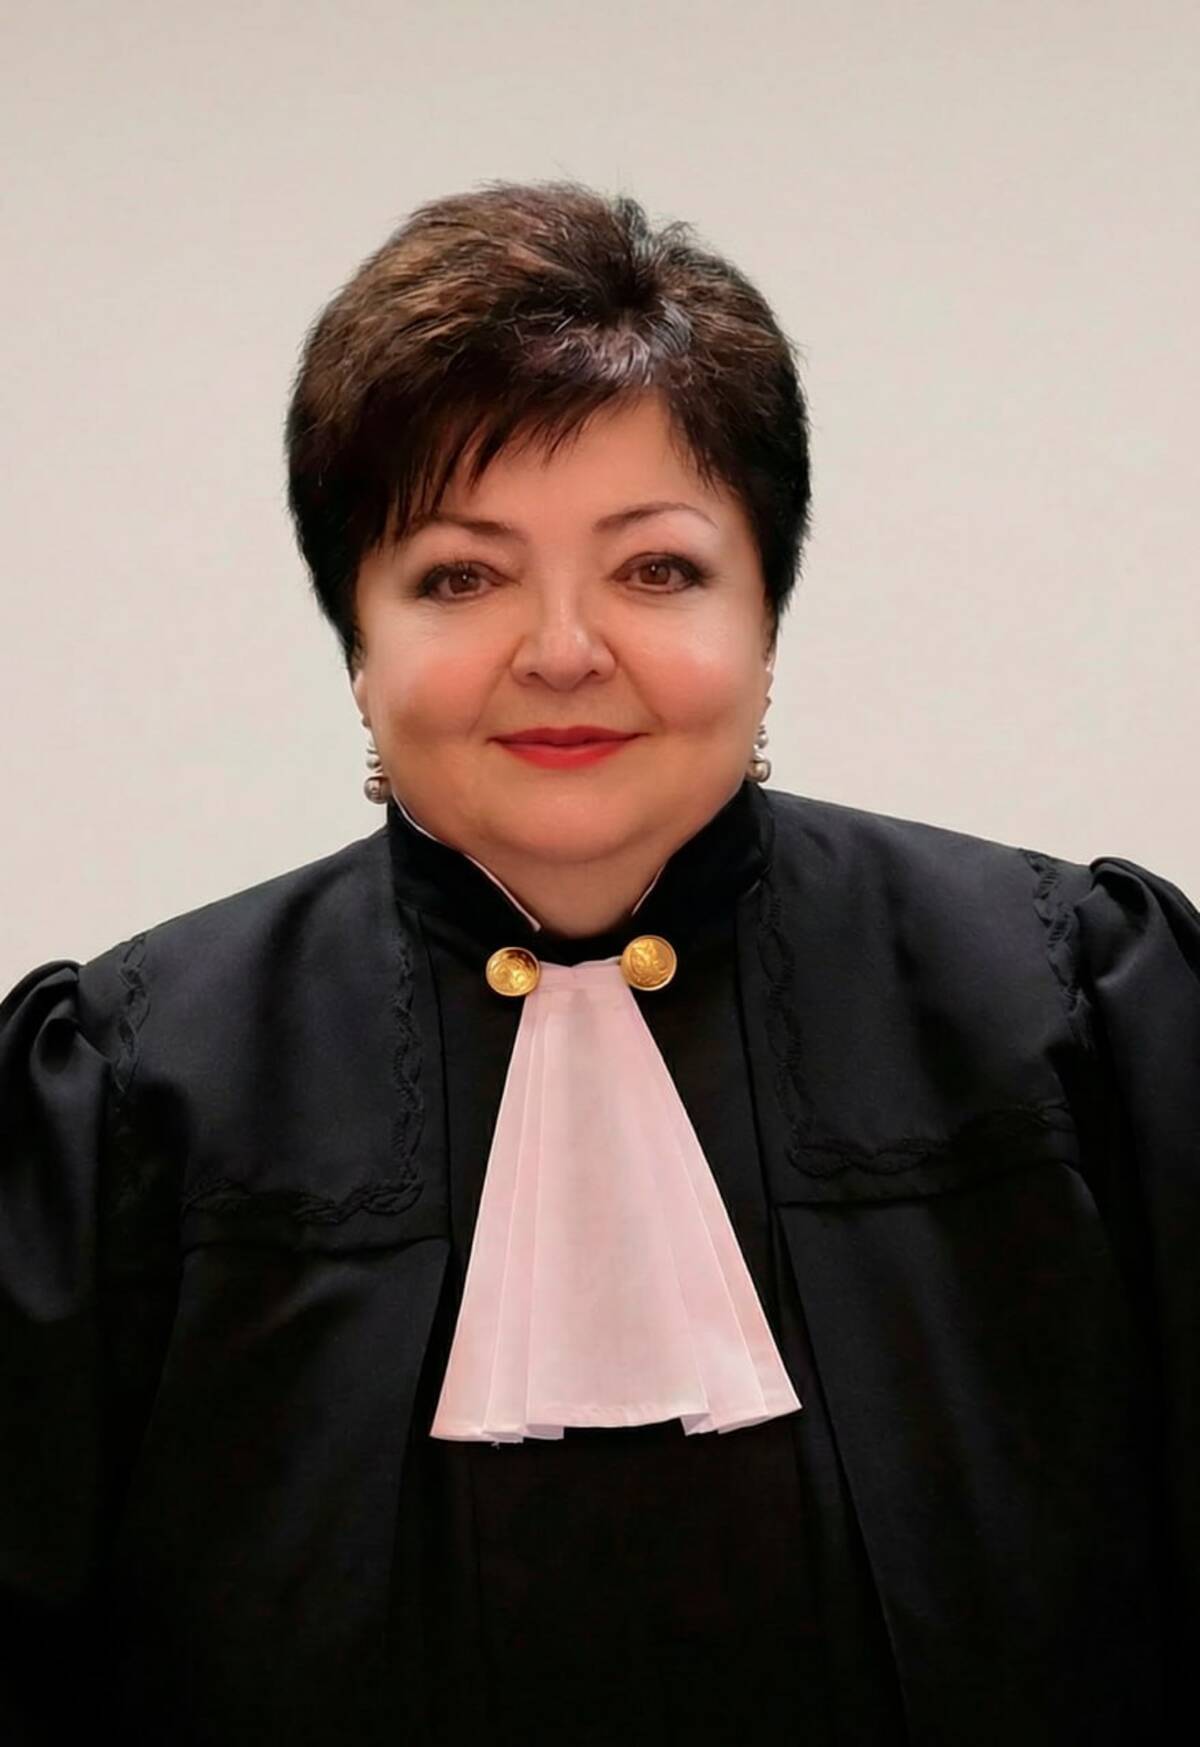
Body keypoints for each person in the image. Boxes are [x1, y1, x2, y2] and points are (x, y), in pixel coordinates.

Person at [1, 178, 1196, 1747]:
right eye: (459, 575)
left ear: (767, 614)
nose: (562, 652)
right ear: (357, 640)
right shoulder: (126, 1095)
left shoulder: (1074, 1011)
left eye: (656, 570)